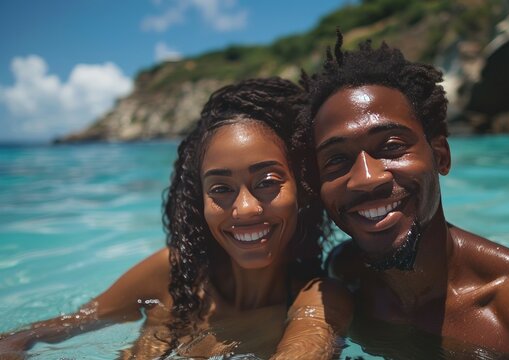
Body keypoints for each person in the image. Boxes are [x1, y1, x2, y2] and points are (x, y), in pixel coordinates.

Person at [293, 32, 509, 359]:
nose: (366, 179)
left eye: (391, 147)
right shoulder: (347, 273)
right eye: (337, 160)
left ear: (440, 156)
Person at [0, 77, 352, 359]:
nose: (244, 209)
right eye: (220, 188)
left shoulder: (318, 301)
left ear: (303, 189)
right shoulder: (170, 275)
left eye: (267, 182)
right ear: (198, 199)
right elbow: (35, 334)